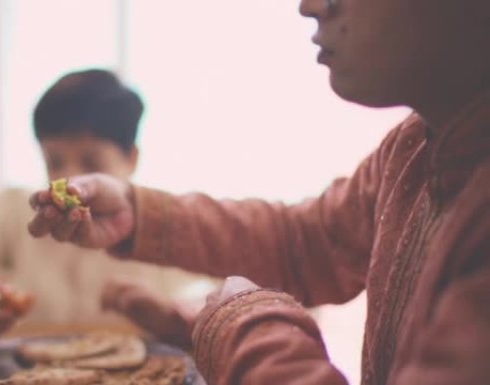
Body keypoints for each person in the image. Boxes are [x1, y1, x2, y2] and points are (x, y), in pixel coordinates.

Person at [27, 0, 490, 384]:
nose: (309, 6)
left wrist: (241, 322)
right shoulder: (416, 146)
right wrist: (136, 211)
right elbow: (307, 242)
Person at [0, 69, 217, 342]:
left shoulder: (163, 222)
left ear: (132, 158)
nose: (70, 180)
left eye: (91, 159)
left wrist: (173, 316)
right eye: (54, 161)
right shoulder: (16, 211)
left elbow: (225, 302)